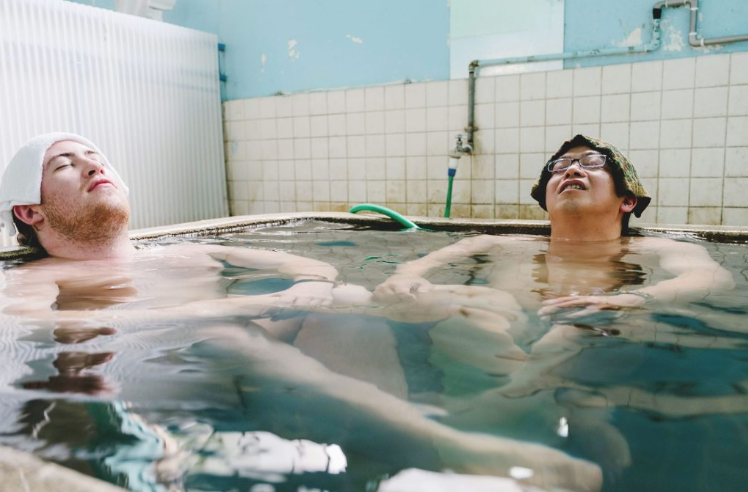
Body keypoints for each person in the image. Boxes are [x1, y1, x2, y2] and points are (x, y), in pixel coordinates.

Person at [0, 133, 603, 491]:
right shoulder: (40, 278)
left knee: (347, 300)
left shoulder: (188, 252)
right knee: (230, 339)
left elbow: (312, 267)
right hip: (151, 382)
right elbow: (36, 327)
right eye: (65, 164)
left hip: (231, 357)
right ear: (30, 212)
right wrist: (240, 308)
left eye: (95, 156)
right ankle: (443, 444)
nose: (92, 164)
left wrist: (300, 295)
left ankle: (378, 463)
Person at [374, 134, 738, 482]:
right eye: (560, 166)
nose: (572, 169)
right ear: (546, 199)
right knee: (474, 304)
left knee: (598, 325)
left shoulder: (657, 250)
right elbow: (419, 267)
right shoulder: (498, 244)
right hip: (500, 338)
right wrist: (405, 280)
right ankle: (567, 409)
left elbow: (713, 279)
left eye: (592, 163)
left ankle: (510, 411)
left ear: (627, 200)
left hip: (591, 341)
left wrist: (626, 300)